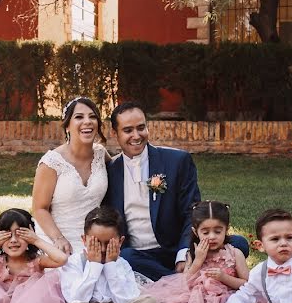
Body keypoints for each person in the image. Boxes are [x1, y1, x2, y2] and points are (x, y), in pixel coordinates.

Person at [104, 102, 249, 281]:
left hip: (179, 246)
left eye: (141, 128)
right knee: (125, 257)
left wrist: (184, 253)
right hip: (140, 255)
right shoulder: (110, 171)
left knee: (238, 244)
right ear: (114, 133)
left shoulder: (177, 161)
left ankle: (179, 274)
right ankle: (180, 280)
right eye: (128, 130)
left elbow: (191, 211)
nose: (136, 135)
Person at [140, 201, 264, 303]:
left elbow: (247, 284)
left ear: (227, 229)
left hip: (226, 297)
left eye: (218, 231)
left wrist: (225, 278)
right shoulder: (193, 253)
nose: (212, 237)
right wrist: (198, 261)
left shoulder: (234, 253)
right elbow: (184, 282)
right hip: (196, 296)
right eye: (205, 232)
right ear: (195, 231)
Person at [61, 206, 159, 303]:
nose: (102, 248)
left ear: (120, 242)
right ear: (84, 239)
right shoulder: (73, 263)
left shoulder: (122, 264)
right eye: (96, 242)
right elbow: (77, 299)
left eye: (109, 243)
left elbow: (125, 301)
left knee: (150, 302)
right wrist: (94, 265)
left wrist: (110, 266)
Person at [32, 96, 109, 256]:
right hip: (57, 239)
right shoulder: (51, 162)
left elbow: (124, 168)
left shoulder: (101, 154)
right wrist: (58, 239)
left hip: (93, 241)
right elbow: (39, 209)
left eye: (92, 116)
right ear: (67, 126)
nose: (87, 121)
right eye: (79, 117)